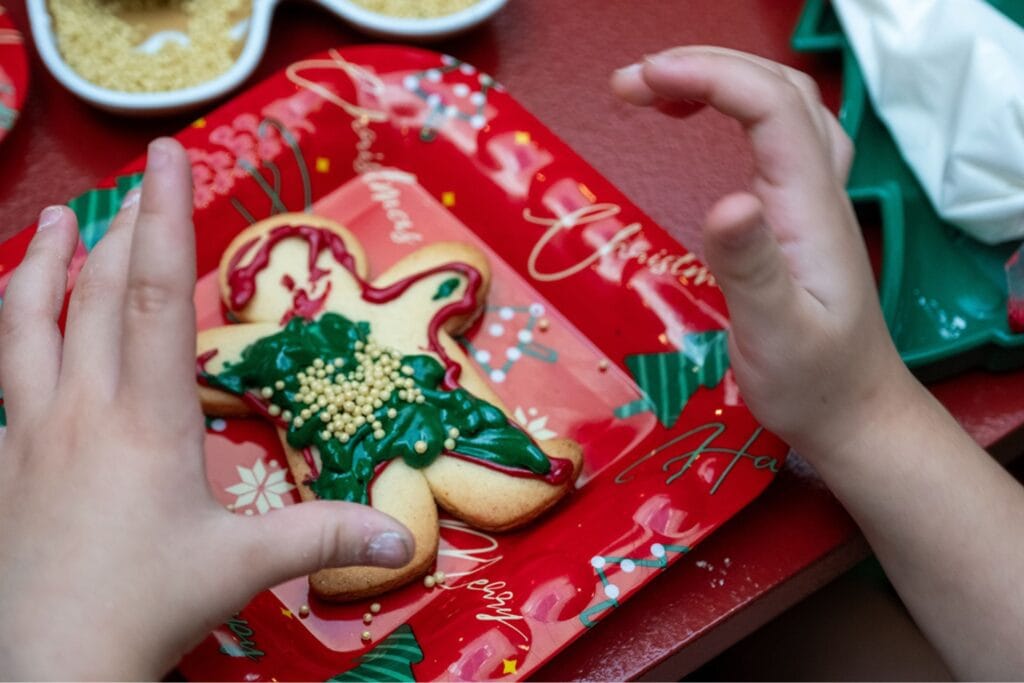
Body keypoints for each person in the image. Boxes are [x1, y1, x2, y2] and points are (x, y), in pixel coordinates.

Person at [0, 46, 1019, 680]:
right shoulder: (248, 350)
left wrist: (60, 650)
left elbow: (433, 292)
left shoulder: (393, 308)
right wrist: (864, 411)